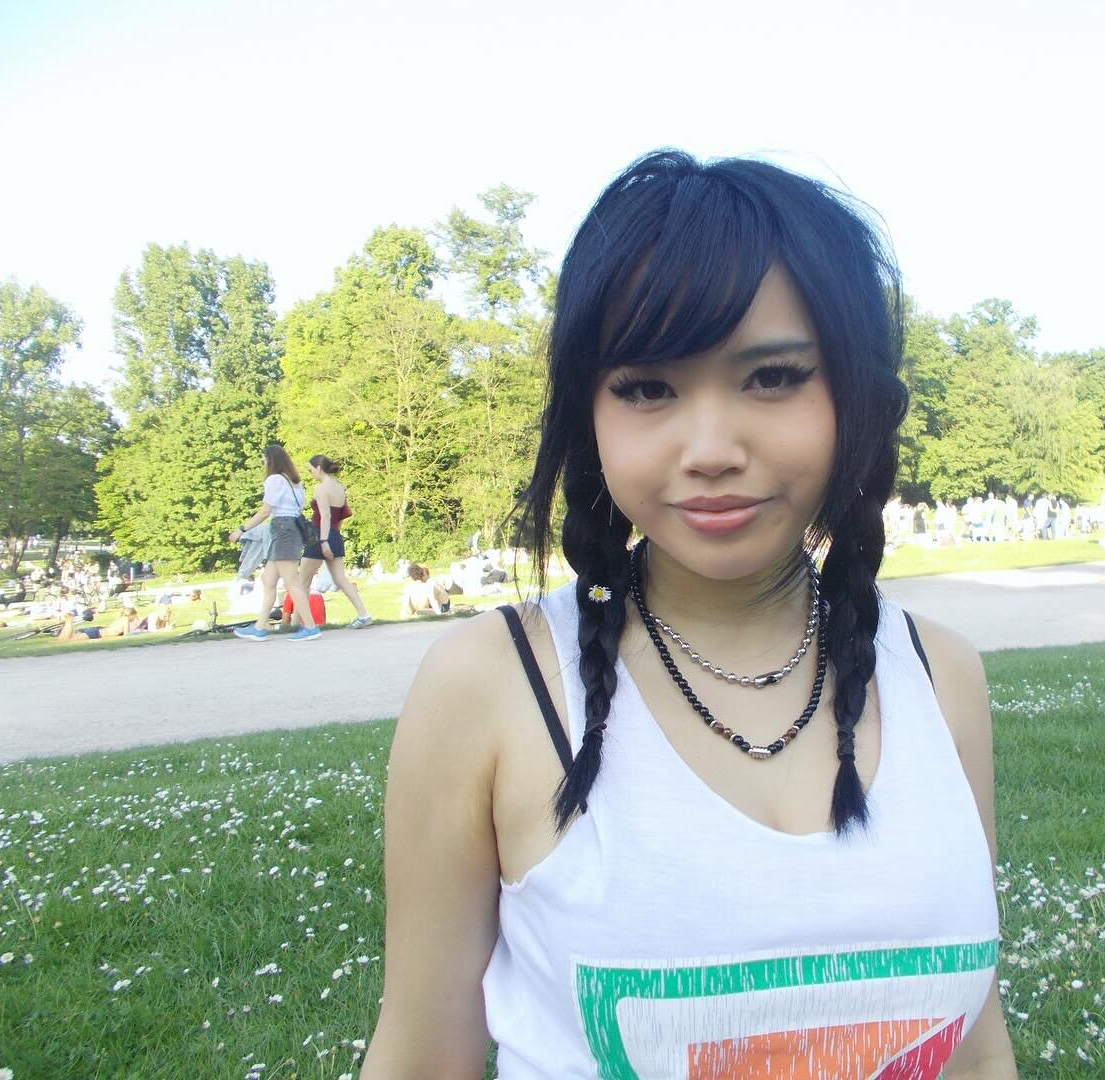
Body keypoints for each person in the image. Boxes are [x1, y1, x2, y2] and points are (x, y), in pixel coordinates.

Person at [362, 150, 1012, 1078]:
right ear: (588, 412)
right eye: (647, 388)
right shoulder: (492, 686)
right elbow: (424, 1056)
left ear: (856, 392)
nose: (710, 448)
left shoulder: (940, 678)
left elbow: (976, 1047)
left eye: (773, 376)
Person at [227, 443, 321, 641]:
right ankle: (260, 626)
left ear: (271, 460)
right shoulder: (294, 482)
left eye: (264, 459)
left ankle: (310, 626)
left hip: (283, 529)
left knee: (291, 582)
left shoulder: (274, 480)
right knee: (268, 580)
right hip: (289, 529)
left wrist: (242, 530)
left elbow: (265, 510)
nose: (263, 463)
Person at [295, 454, 374, 629]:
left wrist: (324, 541)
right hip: (335, 534)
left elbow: (325, 515)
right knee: (341, 579)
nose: (310, 474)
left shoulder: (321, 489)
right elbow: (340, 516)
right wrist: (332, 537)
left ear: (318, 468)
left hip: (319, 536)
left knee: (303, 582)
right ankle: (363, 614)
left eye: (311, 470)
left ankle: (296, 623)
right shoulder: (339, 488)